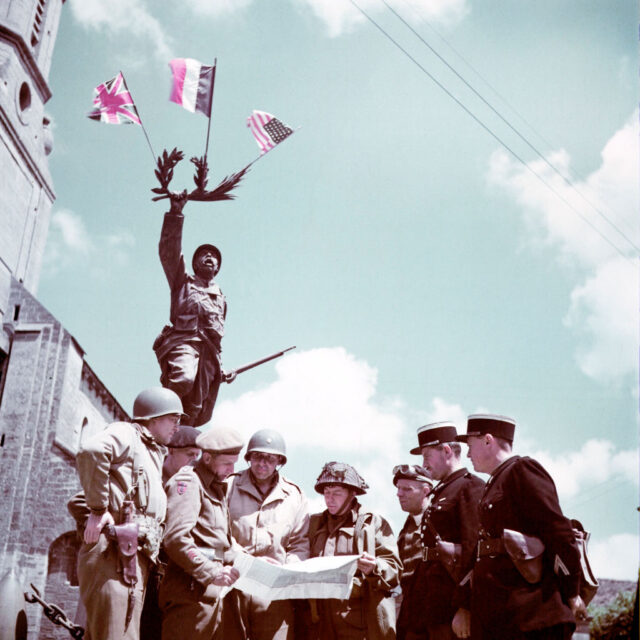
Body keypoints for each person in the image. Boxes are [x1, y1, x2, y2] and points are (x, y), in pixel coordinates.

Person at [453, 414, 587, 640]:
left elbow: (557, 531)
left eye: (470, 446)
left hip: (530, 613)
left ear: (488, 440)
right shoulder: (494, 482)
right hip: (501, 614)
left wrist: (572, 592)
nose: (467, 454)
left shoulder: (522, 469)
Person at [74, 387, 184, 640]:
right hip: (115, 552)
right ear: (154, 418)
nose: (176, 427)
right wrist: (98, 509)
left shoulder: (150, 450)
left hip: (132, 554)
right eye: (173, 419)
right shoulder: (127, 433)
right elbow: (92, 450)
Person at [153, 190, 232, 427]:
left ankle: (179, 443)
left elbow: (218, 339)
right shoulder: (182, 282)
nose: (209, 257)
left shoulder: (222, 299)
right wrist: (176, 213)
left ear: (217, 267)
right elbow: (169, 253)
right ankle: (156, 422)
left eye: (214, 256)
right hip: (183, 342)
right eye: (204, 254)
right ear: (195, 263)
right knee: (183, 379)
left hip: (209, 355)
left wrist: (223, 368)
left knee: (196, 410)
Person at [159, 425, 244, 640]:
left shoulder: (215, 487)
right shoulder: (188, 483)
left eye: (233, 464)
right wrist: (211, 571)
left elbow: (219, 543)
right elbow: (176, 539)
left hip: (211, 594)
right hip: (190, 595)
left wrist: (253, 561)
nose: (231, 469)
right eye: (226, 463)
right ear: (207, 458)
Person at [226, 428, 310, 639]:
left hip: (274, 591)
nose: (263, 464)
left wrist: (284, 569)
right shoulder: (228, 486)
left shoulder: (295, 496)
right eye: (258, 457)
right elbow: (219, 532)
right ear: (248, 458)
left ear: (279, 462)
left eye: (270, 459)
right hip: (233, 584)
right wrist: (244, 560)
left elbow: (300, 543)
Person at [307, 461, 401, 640]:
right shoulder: (314, 524)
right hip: (320, 622)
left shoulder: (372, 524)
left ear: (353, 494)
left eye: (337, 493)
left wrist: (375, 567)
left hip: (358, 623)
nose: (330, 499)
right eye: (326, 493)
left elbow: (394, 569)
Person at [412, 421, 484, 640]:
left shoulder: (469, 486)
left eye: (426, 456)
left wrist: (466, 607)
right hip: (432, 603)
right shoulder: (443, 490)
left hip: (451, 608)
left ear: (446, 451)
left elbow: (474, 551)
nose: (424, 464)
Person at [392, 464, 434, 640]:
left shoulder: (438, 523)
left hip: (435, 618)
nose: (399, 494)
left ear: (425, 491)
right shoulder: (406, 529)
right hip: (410, 618)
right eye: (398, 489)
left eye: (407, 489)